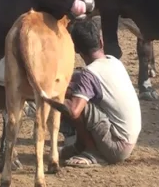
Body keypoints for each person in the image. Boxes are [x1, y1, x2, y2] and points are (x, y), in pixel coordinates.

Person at [58, 18, 142, 167]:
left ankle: (92, 152)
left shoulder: (90, 73)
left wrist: (49, 96)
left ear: (76, 49)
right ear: (101, 41)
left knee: (75, 104)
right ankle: (80, 145)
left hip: (115, 147)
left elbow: (74, 111)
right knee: (75, 92)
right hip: (128, 141)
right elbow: (77, 78)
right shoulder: (114, 61)